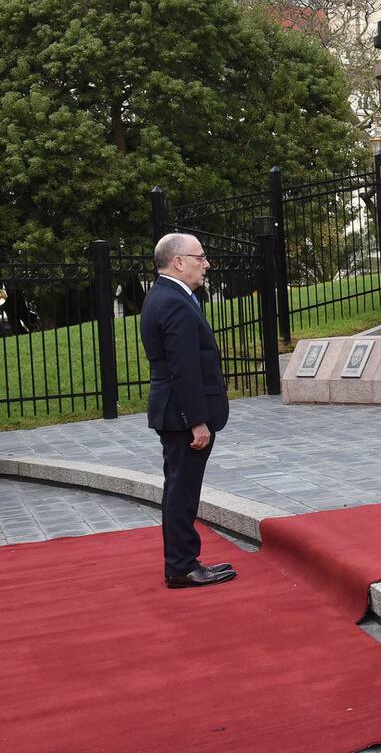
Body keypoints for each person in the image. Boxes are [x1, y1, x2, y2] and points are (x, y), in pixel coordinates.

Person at [141, 234, 235, 588]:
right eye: (200, 257)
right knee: (182, 490)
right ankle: (181, 565)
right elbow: (184, 368)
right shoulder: (174, 301)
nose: (205, 264)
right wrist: (197, 421)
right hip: (183, 416)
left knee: (179, 487)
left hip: (173, 411)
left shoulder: (167, 295)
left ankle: (182, 560)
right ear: (178, 261)